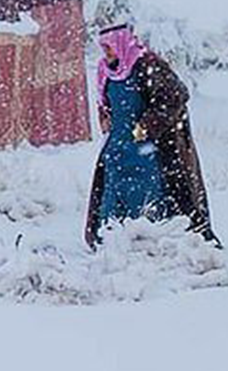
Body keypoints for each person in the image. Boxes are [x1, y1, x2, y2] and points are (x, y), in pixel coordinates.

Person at [84, 23, 219, 248]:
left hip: (146, 147)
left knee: (148, 190)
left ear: (121, 43)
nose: (105, 52)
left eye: (109, 47)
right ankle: (112, 240)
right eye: (103, 47)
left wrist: (147, 125)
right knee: (113, 190)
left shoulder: (148, 65)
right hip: (117, 145)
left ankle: (153, 240)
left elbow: (175, 96)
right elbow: (104, 100)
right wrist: (105, 115)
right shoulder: (105, 70)